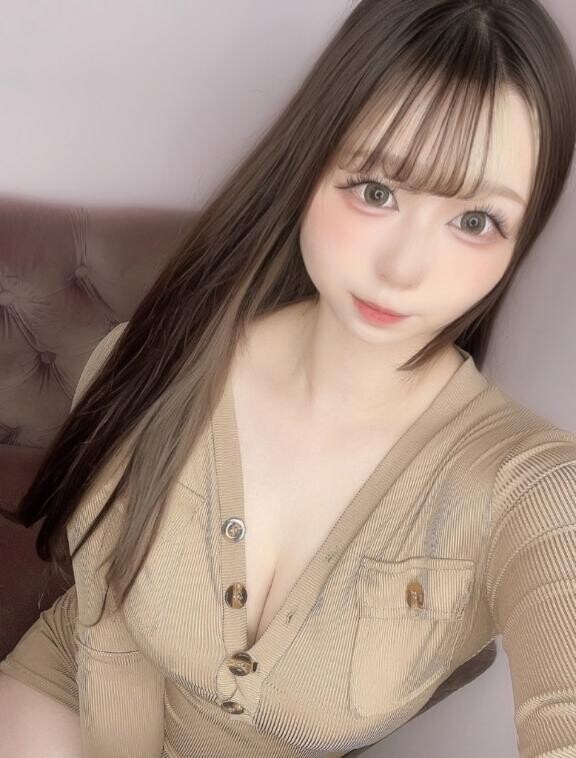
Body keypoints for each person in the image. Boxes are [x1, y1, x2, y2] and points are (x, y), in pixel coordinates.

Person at [1, 1, 575, 756]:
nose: (404, 269)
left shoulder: (528, 487)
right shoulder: (157, 365)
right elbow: (111, 645)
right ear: (313, 161)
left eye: (475, 221)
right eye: (377, 189)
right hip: (80, 695)